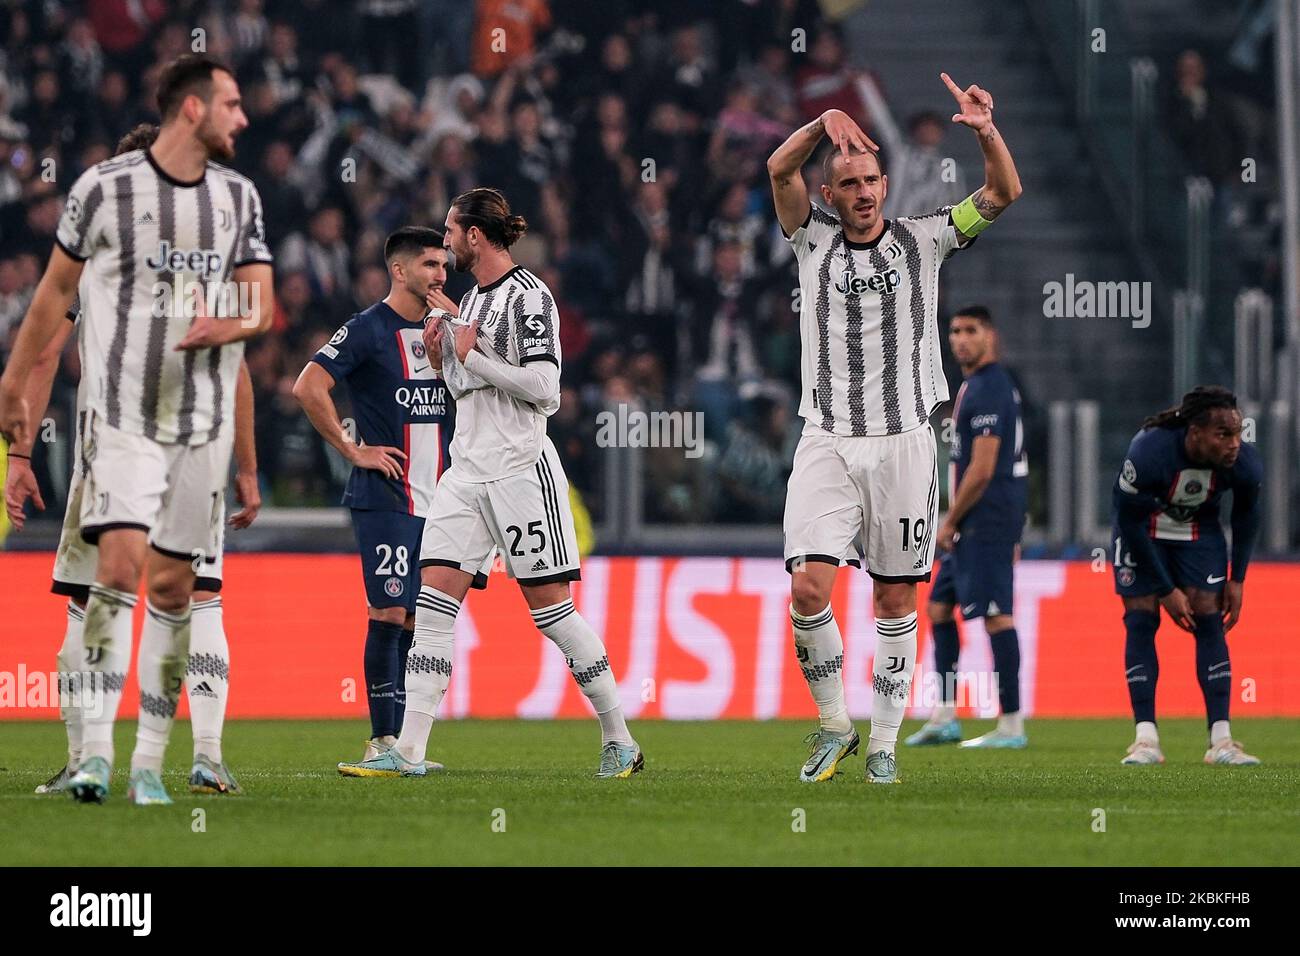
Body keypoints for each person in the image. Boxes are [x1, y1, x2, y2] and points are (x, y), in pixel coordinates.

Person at [0, 53, 274, 804]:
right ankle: (176, 756)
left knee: (107, 594)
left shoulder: (218, 210)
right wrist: (248, 469)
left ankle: (116, 758)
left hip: (182, 431)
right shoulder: (117, 219)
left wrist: (21, 449)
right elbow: (49, 330)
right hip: (123, 430)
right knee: (179, 592)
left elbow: (55, 340)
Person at [765, 72, 1022, 784]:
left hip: (906, 441)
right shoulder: (809, 238)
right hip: (827, 440)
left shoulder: (925, 240)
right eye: (849, 183)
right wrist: (826, 121)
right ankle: (832, 726)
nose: (864, 192)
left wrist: (986, 132)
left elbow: (1002, 196)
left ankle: (882, 745)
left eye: (872, 179)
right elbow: (777, 166)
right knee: (808, 591)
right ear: (829, 196)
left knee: (894, 598)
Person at [338, 187, 643, 779]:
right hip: (467, 470)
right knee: (431, 606)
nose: (445, 242)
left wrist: (468, 354)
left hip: (520, 471)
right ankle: (409, 751)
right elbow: (467, 388)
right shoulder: (470, 300)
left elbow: (545, 391)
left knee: (551, 613)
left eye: (450, 231)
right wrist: (440, 361)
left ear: (475, 235)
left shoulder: (531, 298)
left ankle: (619, 736)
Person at [293, 226, 484, 769]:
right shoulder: (367, 329)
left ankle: (405, 747)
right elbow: (308, 385)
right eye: (429, 265)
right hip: (388, 497)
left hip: (446, 498)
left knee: (418, 621)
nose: (440, 275)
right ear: (398, 271)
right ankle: (382, 740)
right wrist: (353, 450)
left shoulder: (446, 330)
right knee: (389, 609)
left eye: (444, 265)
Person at [1111, 386, 1262, 766]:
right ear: (1194, 433)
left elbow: (1246, 517)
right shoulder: (1149, 452)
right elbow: (1127, 519)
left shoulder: (1245, 465)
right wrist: (1164, 589)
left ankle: (1222, 741)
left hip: (1198, 533)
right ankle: (1145, 740)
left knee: (1209, 619)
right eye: (1223, 435)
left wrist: (1237, 578)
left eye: (1237, 434)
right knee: (1141, 619)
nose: (1233, 445)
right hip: (1142, 532)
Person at [907, 306, 1028, 748]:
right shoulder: (974, 387)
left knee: (996, 614)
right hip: (975, 519)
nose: (960, 339)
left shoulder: (991, 388)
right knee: (939, 609)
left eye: (970, 331)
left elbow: (982, 467)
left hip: (987, 516)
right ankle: (945, 715)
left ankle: (1011, 724)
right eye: (955, 331)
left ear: (990, 336)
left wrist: (949, 519)